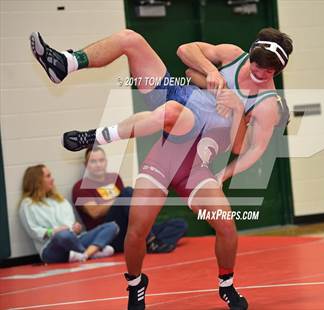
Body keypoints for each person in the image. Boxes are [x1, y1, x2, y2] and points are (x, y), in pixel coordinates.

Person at [29, 27, 292, 310]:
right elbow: (184, 52)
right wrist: (211, 72)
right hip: (175, 109)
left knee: (226, 226)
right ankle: (65, 63)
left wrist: (231, 139)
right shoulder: (233, 55)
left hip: (196, 163)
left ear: (277, 71)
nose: (258, 70)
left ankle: (226, 285)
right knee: (131, 40)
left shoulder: (267, 105)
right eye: (256, 62)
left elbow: (245, 149)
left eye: (267, 69)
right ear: (251, 52)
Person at [72, 146, 188, 253]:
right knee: (128, 192)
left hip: (129, 231)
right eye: (93, 161)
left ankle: (147, 242)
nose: (98, 165)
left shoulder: (114, 178)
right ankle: (150, 241)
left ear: (106, 162)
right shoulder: (80, 187)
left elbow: (128, 208)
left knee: (180, 224)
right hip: (109, 235)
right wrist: (120, 198)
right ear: (86, 164)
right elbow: (95, 212)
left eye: (101, 160)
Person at [19, 164, 119, 263]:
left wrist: (75, 228)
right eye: (48, 176)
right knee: (62, 236)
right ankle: (90, 252)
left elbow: (71, 227)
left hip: (74, 239)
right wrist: (54, 231)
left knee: (112, 226)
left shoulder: (60, 200)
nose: (52, 179)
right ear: (38, 181)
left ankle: (84, 255)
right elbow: (34, 231)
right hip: (51, 247)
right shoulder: (28, 204)